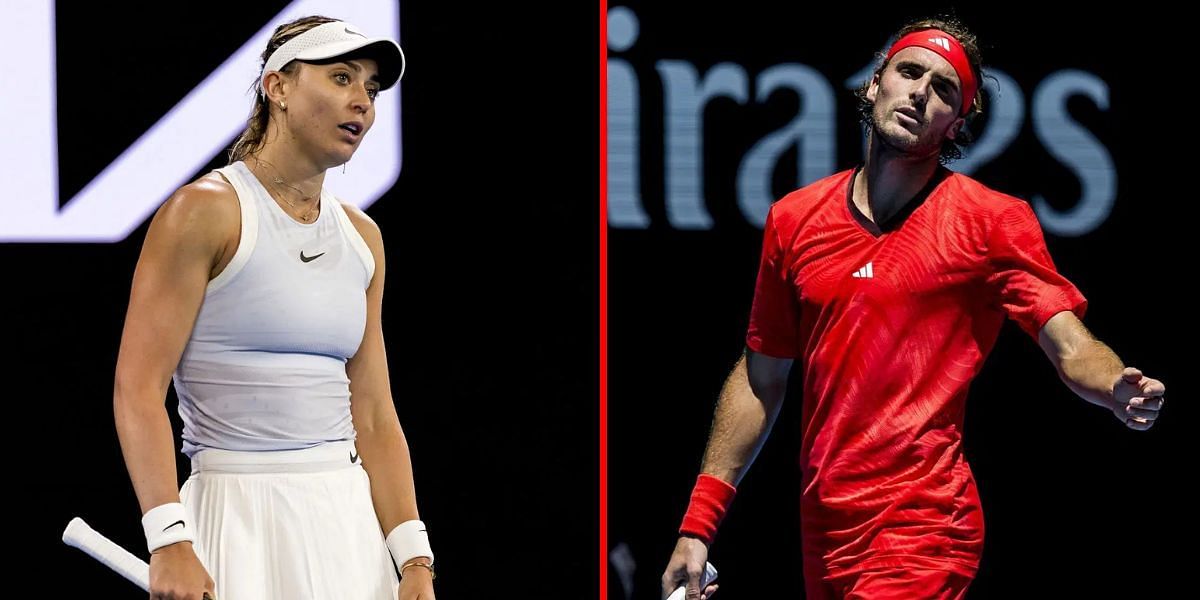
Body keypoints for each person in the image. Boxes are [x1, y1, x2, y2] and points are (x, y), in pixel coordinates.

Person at [660, 16, 1166, 600]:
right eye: (909, 71)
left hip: (925, 528)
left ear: (956, 126)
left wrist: (1115, 384)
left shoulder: (991, 221)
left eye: (945, 89)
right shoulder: (793, 220)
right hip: (825, 536)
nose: (921, 91)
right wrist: (698, 527)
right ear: (876, 85)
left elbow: (1070, 344)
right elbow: (761, 377)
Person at [112, 15, 436, 600]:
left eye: (371, 87)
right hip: (232, 518)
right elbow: (136, 390)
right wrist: (168, 541)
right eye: (341, 77)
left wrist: (414, 559)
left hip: (347, 522)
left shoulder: (364, 238)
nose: (361, 100)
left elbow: (375, 414)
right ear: (278, 87)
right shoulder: (203, 211)